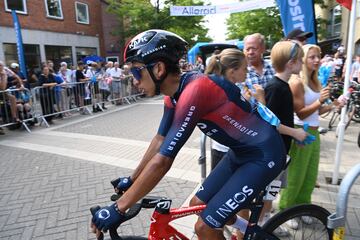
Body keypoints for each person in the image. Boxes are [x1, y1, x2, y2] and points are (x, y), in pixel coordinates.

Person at [90, 29, 306, 239]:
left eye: (136, 71)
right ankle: (252, 232)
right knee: (197, 205)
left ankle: (241, 230)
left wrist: (118, 209)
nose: (134, 80)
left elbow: (163, 161)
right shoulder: (173, 96)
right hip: (241, 152)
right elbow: (160, 141)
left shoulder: (195, 91)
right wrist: (131, 179)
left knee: (204, 228)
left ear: (158, 69)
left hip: (264, 155)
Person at [279, 44, 345, 229]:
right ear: (303, 59)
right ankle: (286, 210)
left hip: (314, 131)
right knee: (296, 175)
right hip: (301, 131)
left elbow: (316, 111)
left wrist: (333, 105)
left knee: (309, 175)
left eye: (319, 56)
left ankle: (301, 208)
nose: (317, 60)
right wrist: (320, 101)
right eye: (312, 57)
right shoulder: (297, 82)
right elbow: (300, 113)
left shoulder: (316, 80)